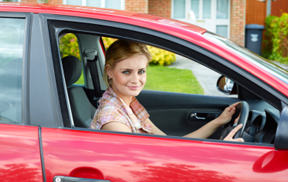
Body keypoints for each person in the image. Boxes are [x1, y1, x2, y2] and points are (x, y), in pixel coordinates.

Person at [90, 39, 244, 142]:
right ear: (109, 71)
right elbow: (151, 161)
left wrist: (218, 122)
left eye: (141, 71)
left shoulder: (128, 103)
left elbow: (169, 144)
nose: (136, 80)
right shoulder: (113, 120)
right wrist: (221, 149)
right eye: (126, 72)